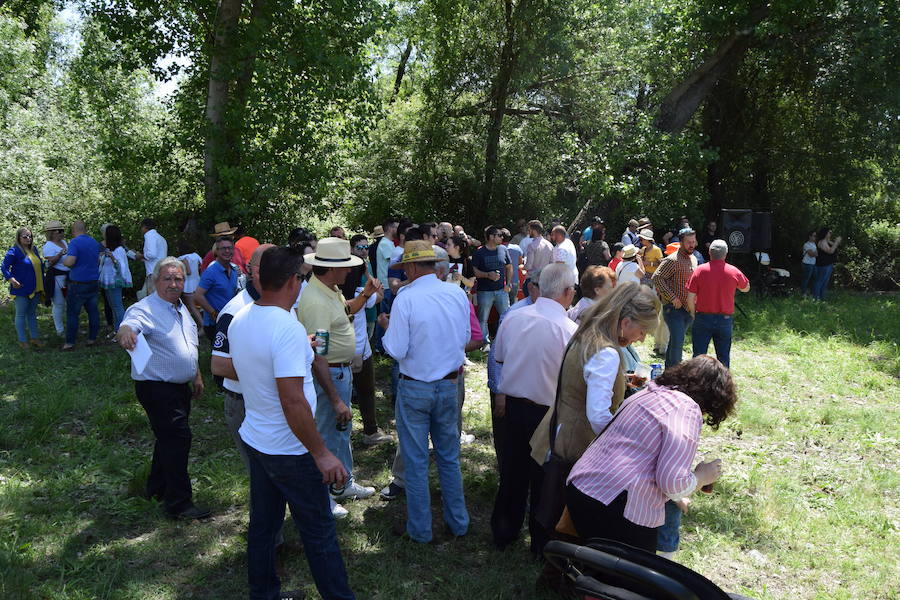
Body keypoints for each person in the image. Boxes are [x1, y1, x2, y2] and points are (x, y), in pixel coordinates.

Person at [227, 246, 356, 600]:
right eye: (300, 277)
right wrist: (322, 453)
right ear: (291, 282)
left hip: (257, 440)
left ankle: (263, 593)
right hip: (290, 450)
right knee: (319, 534)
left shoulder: (242, 318)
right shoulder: (286, 327)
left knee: (263, 528)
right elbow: (292, 399)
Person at [565, 355, 737, 552]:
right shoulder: (687, 408)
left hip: (582, 487)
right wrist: (702, 476)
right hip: (615, 503)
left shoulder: (650, 392)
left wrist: (677, 493)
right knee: (631, 577)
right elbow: (672, 483)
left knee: (595, 563)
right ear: (713, 400)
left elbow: (640, 453)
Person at [530, 284, 660, 539]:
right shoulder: (607, 353)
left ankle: (542, 553)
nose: (642, 338)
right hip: (575, 443)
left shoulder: (587, 334)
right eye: (642, 330)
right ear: (625, 322)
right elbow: (598, 415)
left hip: (556, 431)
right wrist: (625, 447)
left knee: (546, 506)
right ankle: (555, 566)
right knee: (562, 517)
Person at [378, 240, 471, 543]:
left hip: (416, 387)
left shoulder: (406, 297)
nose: (403, 273)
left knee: (416, 462)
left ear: (414, 266)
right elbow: (467, 336)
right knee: (448, 457)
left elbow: (395, 348)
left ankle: (420, 530)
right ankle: (458, 523)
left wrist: (386, 327)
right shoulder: (456, 293)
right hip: (449, 385)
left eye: (405, 267)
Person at [491, 263, 577, 555]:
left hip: (515, 405)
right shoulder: (569, 330)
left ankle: (504, 531)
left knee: (512, 472)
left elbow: (500, 358)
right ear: (567, 292)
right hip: (547, 412)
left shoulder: (514, 318)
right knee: (545, 480)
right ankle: (540, 544)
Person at [116, 257, 209, 520]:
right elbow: (129, 324)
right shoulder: (144, 308)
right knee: (178, 440)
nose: (173, 283)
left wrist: (197, 375)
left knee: (168, 439)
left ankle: (156, 489)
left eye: (178, 278)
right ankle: (179, 503)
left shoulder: (180, 308)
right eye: (167, 278)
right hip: (156, 388)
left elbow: (188, 345)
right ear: (156, 281)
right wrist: (125, 333)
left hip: (179, 388)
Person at [297, 237, 381, 514]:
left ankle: (342, 482)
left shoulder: (329, 289)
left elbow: (347, 311)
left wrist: (366, 295)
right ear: (331, 268)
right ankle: (323, 495)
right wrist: (334, 399)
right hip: (330, 375)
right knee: (326, 435)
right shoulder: (316, 300)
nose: (349, 271)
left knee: (340, 433)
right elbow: (317, 355)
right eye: (345, 266)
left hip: (339, 373)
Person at [343, 234, 391, 446]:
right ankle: (370, 431)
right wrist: (372, 280)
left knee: (344, 395)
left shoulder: (335, 294)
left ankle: (346, 432)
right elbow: (378, 296)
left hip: (341, 353)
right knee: (365, 392)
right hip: (358, 350)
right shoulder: (362, 293)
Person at [686, 239, 750, 368]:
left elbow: (690, 298)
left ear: (709, 253)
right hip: (724, 320)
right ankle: (723, 385)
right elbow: (746, 288)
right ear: (725, 254)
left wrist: (693, 313)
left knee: (698, 356)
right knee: (723, 357)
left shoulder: (699, 270)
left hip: (703, 317)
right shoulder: (733, 271)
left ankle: (695, 383)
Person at [652, 228, 698, 367]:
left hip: (688, 309)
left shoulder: (694, 259)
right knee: (677, 342)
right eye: (688, 242)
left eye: (694, 241)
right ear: (681, 242)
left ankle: (669, 374)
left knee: (675, 342)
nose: (692, 244)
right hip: (673, 309)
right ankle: (676, 374)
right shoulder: (672, 260)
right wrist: (672, 298)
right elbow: (657, 278)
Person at [61, 220, 102, 350]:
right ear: (85, 229)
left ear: (74, 230)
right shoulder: (94, 242)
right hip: (93, 282)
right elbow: (97, 260)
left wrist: (65, 262)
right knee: (93, 312)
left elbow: (71, 261)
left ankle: (70, 343)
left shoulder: (74, 242)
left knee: (73, 313)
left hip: (78, 283)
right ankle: (92, 339)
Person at [3, 227, 45, 348]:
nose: (28, 238)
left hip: (36, 287)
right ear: (19, 238)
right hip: (21, 288)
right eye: (25, 236)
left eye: (30, 236)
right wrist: (11, 279)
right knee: (21, 314)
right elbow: (4, 267)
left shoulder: (34, 250)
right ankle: (22, 340)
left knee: (32, 314)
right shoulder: (14, 251)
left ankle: (34, 338)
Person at [473, 225, 513, 341]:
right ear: (491, 237)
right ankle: (483, 343)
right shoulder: (479, 252)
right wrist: (487, 275)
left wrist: (508, 284)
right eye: (499, 235)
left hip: (502, 290)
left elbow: (509, 267)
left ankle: (505, 340)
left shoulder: (503, 249)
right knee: (483, 319)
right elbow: (475, 272)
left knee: (507, 317)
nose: (502, 238)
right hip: (484, 291)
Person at [195, 236, 239, 342]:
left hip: (229, 320)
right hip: (214, 323)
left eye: (230, 248)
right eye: (223, 248)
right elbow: (198, 295)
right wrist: (214, 313)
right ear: (217, 251)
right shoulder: (211, 272)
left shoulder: (233, 271)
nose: (227, 251)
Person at [99, 225, 132, 334]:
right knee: (112, 306)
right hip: (108, 281)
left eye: (106, 233)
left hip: (115, 281)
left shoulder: (119, 250)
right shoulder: (110, 249)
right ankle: (116, 328)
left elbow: (121, 266)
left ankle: (122, 331)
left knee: (117, 306)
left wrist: (113, 258)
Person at [41, 221, 69, 336]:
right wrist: (59, 255)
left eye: (62, 230)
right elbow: (50, 263)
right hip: (57, 277)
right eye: (59, 231)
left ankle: (70, 327)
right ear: (52, 233)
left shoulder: (64, 242)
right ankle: (60, 330)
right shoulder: (48, 246)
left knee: (69, 303)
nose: (62, 233)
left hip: (68, 276)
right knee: (59, 304)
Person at [134, 218, 168, 299]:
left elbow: (151, 254)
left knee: (153, 298)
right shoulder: (160, 237)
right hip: (161, 270)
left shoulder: (149, 235)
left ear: (144, 227)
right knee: (160, 296)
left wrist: (140, 255)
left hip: (153, 271)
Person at [177, 240, 204, 328]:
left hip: (188, 285)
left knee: (192, 307)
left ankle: (202, 325)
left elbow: (188, 272)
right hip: (198, 282)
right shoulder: (196, 256)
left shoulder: (182, 258)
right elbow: (202, 266)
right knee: (201, 305)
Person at [814, 227, 841, 300]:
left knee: (825, 283)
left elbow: (835, 247)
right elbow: (830, 251)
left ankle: (822, 298)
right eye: (830, 232)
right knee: (820, 281)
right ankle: (816, 298)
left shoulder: (827, 241)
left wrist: (836, 242)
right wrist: (836, 242)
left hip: (828, 265)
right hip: (823, 265)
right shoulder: (822, 242)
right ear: (825, 233)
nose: (831, 234)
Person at [524, 220, 553, 289]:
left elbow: (528, 266)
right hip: (546, 280)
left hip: (533, 280)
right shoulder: (549, 245)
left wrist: (524, 265)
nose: (528, 232)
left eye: (529, 230)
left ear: (533, 231)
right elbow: (552, 262)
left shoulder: (532, 246)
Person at [375, 217, 398, 284]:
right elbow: (394, 262)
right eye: (397, 228)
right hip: (387, 284)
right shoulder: (385, 243)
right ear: (391, 229)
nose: (399, 231)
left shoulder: (388, 242)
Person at [800, 230, 818, 296]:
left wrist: (815, 253)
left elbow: (816, 254)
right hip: (807, 264)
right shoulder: (806, 244)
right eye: (814, 236)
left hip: (813, 264)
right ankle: (803, 293)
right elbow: (812, 254)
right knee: (806, 279)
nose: (815, 237)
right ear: (810, 236)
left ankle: (812, 293)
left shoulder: (814, 244)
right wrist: (815, 253)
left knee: (814, 279)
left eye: (816, 236)